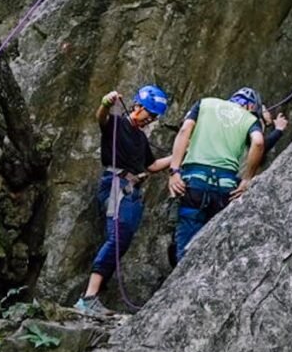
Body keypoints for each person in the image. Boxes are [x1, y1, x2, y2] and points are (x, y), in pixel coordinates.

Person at [73, 85, 173, 316]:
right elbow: (101, 118)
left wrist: (180, 153)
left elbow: (152, 165)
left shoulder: (140, 137)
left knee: (122, 240)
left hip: (131, 191)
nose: (150, 120)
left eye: (154, 118)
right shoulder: (116, 124)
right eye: (149, 115)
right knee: (117, 237)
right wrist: (106, 103)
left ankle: (91, 298)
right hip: (116, 185)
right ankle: (88, 298)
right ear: (137, 107)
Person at [167, 87, 266, 261]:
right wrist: (247, 179)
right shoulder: (250, 119)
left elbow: (185, 130)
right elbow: (258, 142)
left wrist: (174, 170)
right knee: (211, 248)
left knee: (184, 248)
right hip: (225, 188)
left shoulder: (205, 104)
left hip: (194, 183)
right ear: (251, 107)